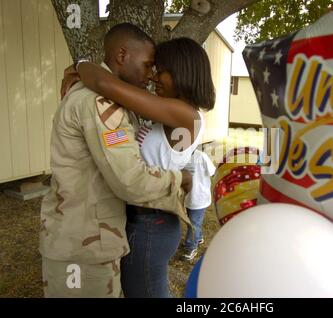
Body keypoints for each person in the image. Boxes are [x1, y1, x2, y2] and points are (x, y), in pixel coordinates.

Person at [41, 23, 192, 298]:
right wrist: (180, 179)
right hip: (84, 247)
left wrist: (80, 64)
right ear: (122, 56)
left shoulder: (98, 94)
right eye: (147, 65)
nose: (150, 75)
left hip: (78, 238)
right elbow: (130, 181)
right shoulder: (101, 103)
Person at [182, 149, 216, 261]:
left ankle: (191, 247)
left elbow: (213, 172)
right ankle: (198, 237)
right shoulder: (180, 156)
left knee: (193, 224)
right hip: (188, 197)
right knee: (193, 221)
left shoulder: (201, 156)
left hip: (200, 197)